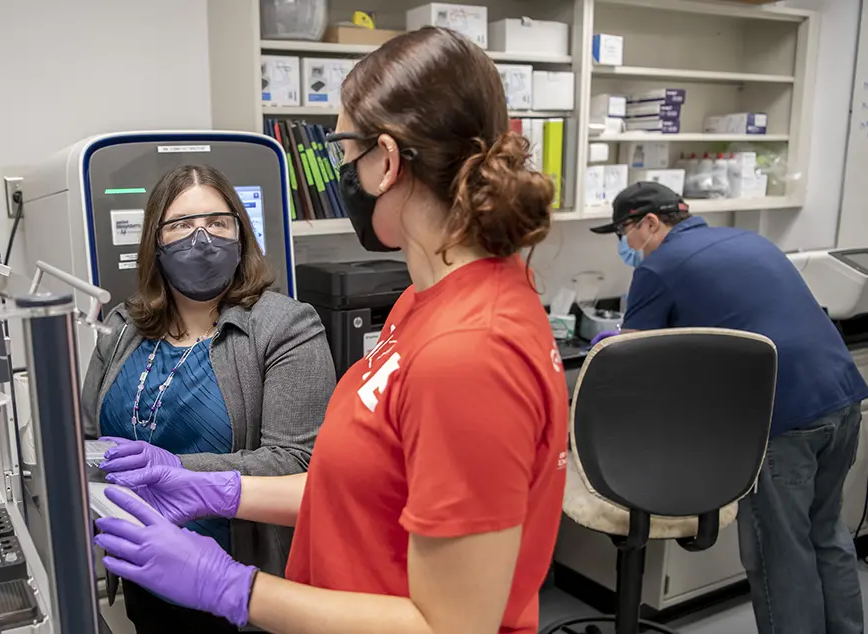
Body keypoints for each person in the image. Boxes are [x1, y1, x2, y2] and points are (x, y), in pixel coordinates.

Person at [92, 27, 569, 633]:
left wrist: (231, 586)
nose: (342, 170)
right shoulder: (424, 304)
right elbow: (364, 486)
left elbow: (449, 626)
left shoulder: (471, 352)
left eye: (345, 152)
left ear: (387, 161)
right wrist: (216, 491)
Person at [589, 181, 868, 634]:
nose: (627, 247)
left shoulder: (658, 268)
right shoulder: (749, 240)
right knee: (828, 535)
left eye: (626, 234)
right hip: (841, 397)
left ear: (650, 223)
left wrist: (616, 340)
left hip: (782, 417)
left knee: (780, 552)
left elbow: (632, 362)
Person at [79, 163, 336, 633]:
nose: (202, 238)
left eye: (217, 223)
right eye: (181, 225)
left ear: (240, 237)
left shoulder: (286, 327)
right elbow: (89, 436)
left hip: (237, 588)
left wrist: (177, 471)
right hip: (142, 574)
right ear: (156, 245)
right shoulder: (121, 328)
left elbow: (298, 462)